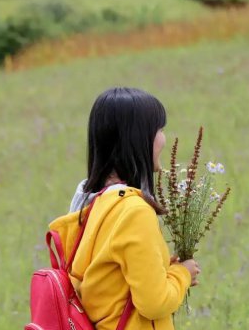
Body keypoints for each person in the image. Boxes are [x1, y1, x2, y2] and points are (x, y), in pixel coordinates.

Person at [49, 87, 200, 330]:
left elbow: (112, 286)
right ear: (138, 138)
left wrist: (166, 272)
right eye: (159, 130)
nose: (163, 138)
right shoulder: (134, 211)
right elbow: (154, 303)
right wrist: (183, 274)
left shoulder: (93, 203)